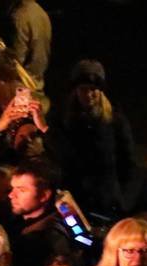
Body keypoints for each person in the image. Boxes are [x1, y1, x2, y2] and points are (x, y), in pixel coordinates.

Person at [51, 60, 139, 218]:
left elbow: (129, 163)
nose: (89, 94)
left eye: (93, 89)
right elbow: (62, 158)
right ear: (76, 91)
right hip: (76, 201)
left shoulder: (115, 121)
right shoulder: (64, 120)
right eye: (83, 89)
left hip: (107, 203)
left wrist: (124, 201)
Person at [6, 158, 74, 266]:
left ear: (44, 195)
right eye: (12, 188)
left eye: (21, 190)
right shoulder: (18, 223)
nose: (11, 195)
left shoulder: (47, 240)